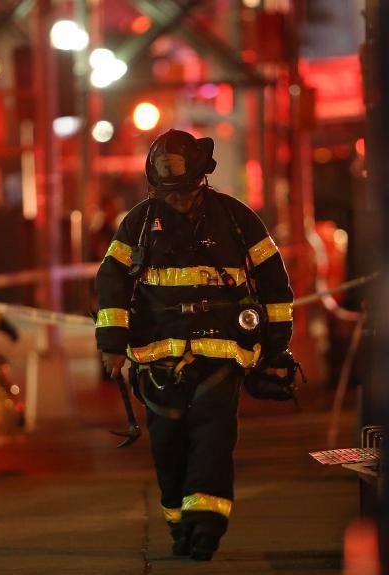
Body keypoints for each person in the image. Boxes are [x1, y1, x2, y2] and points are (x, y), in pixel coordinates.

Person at [94, 129, 294, 561]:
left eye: (186, 192)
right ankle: (180, 522)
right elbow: (111, 281)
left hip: (222, 354)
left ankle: (206, 524)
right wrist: (112, 344)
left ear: (202, 179)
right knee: (168, 444)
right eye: (169, 193)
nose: (179, 201)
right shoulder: (140, 222)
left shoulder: (236, 219)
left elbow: (273, 278)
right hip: (159, 360)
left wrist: (276, 346)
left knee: (213, 435)